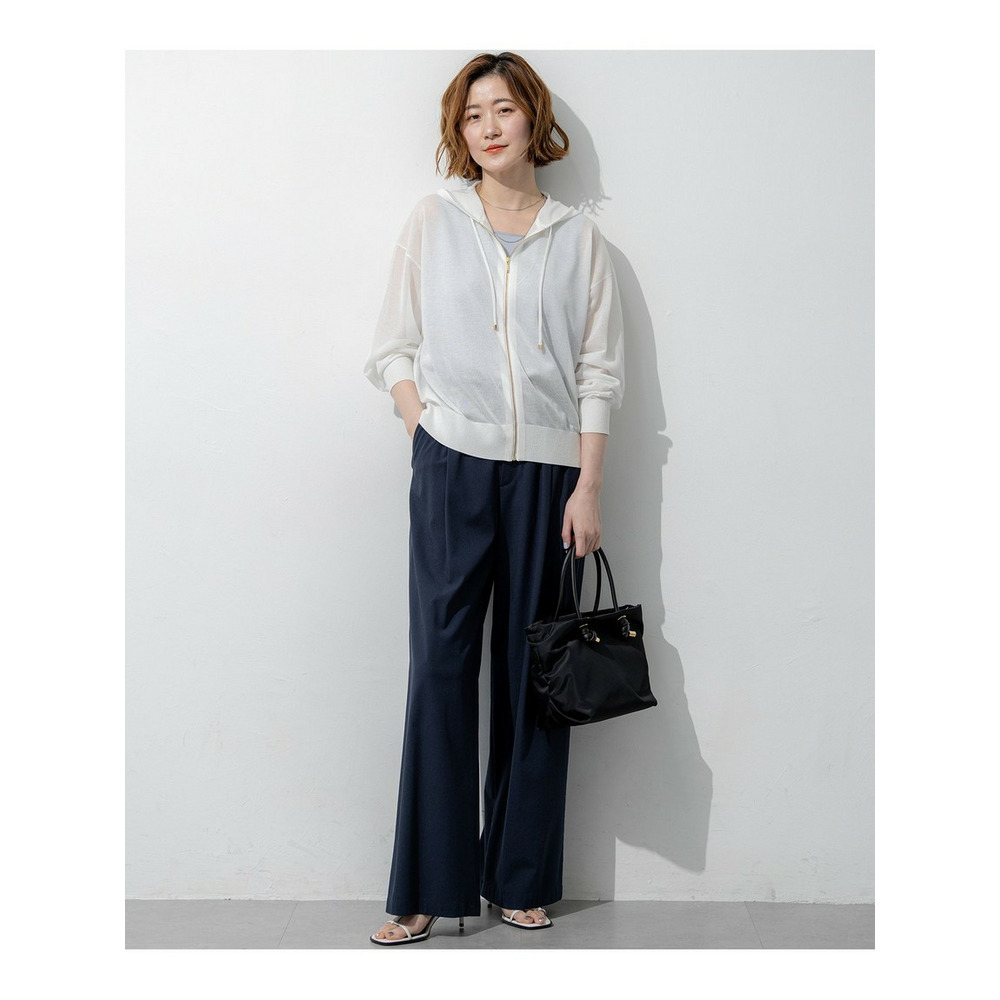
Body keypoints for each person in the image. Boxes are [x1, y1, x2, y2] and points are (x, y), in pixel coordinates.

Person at [363, 51, 624, 945]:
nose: (488, 127)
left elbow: (598, 371)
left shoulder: (578, 239)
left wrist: (588, 485)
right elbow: (392, 347)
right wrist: (423, 431)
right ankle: (426, 888)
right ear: (459, 130)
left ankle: (519, 878)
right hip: (452, 465)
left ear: (532, 119)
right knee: (440, 669)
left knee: (532, 677)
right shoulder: (433, 222)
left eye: (503, 109)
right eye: (472, 114)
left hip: (551, 477)